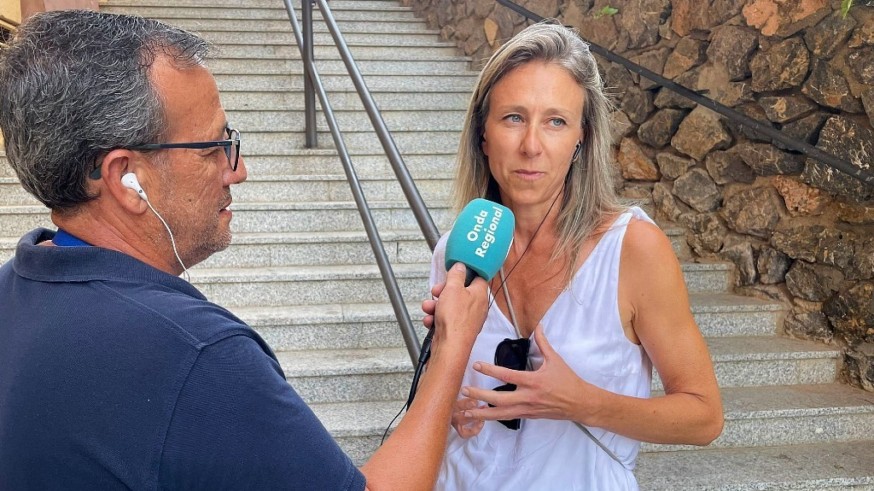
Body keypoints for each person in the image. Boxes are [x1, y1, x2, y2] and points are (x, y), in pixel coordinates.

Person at [0, 10, 489, 490]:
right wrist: (451, 349)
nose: (238, 169)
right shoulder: (195, 358)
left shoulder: (14, 288)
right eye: (213, 145)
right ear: (127, 179)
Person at [422, 21, 724, 489]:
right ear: (483, 134)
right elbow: (440, 402)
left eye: (555, 121)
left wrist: (580, 401)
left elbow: (704, 417)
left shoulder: (632, 248)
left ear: (581, 139)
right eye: (513, 117)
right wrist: (450, 410)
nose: (531, 145)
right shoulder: (455, 252)